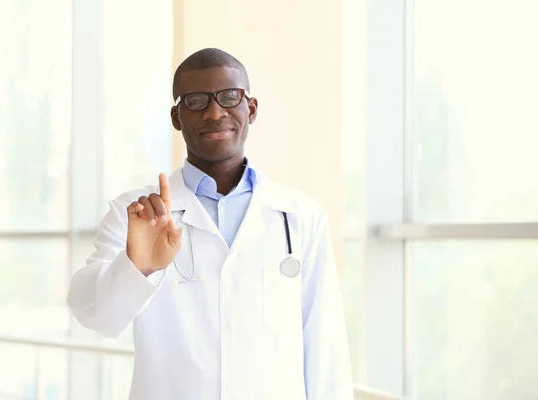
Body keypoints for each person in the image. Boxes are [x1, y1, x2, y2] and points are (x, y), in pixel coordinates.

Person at [67, 47, 353, 400]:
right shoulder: (137, 213)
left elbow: (326, 350)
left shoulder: (299, 216)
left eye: (230, 97)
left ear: (251, 108)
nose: (215, 112)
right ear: (176, 116)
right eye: (197, 101)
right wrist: (137, 267)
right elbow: (96, 316)